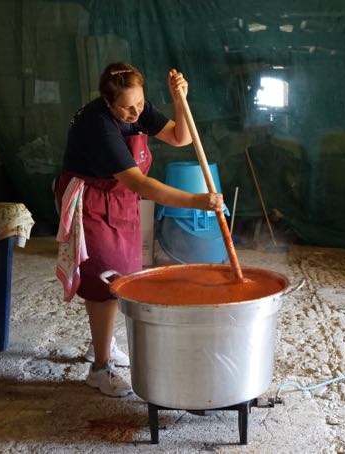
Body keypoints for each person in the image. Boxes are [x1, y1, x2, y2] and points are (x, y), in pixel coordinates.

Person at [54, 62, 223, 397]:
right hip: (91, 200)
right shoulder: (98, 124)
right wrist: (198, 201)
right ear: (107, 101)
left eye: (140, 104)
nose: (135, 113)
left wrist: (179, 98)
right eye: (127, 108)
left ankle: (99, 343)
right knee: (105, 276)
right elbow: (141, 184)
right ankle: (100, 368)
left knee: (120, 276)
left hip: (118, 198)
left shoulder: (137, 109)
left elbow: (180, 137)